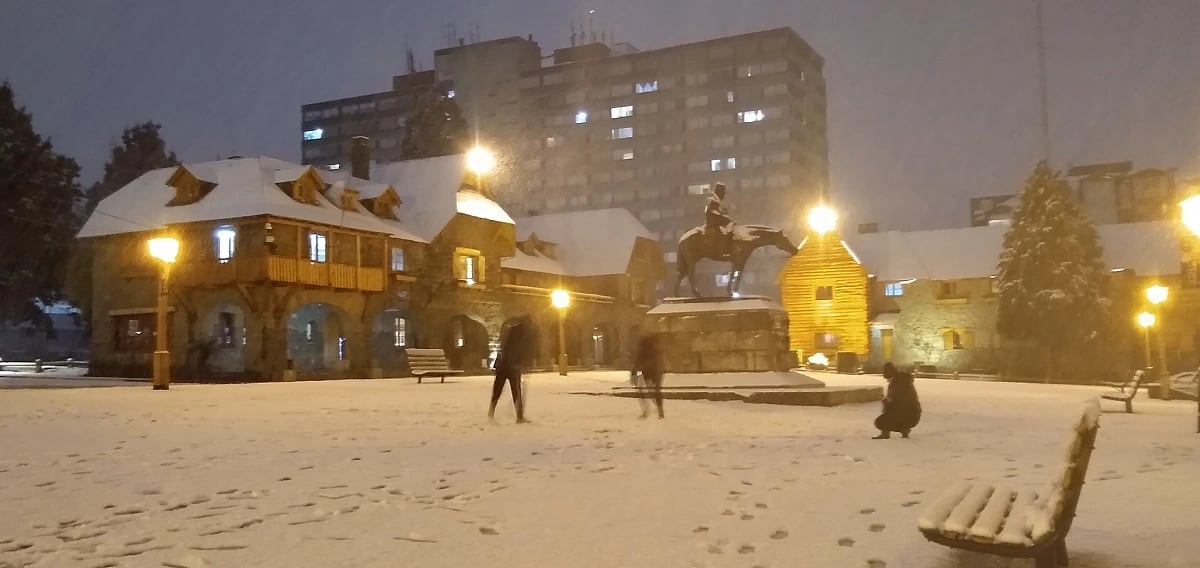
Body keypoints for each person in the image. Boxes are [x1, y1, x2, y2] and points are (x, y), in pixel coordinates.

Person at [490, 316, 533, 423]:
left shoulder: (512, 331)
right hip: (511, 365)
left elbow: (506, 347)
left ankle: (491, 412)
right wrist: (520, 363)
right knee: (516, 391)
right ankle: (519, 417)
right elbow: (518, 350)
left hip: (504, 365)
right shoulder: (522, 333)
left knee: (498, 390)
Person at [873, 362, 921, 439]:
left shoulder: (902, 384)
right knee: (881, 420)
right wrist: (886, 402)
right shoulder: (894, 384)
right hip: (908, 413)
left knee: (881, 421)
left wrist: (887, 402)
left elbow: (901, 403)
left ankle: (903, 429)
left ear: (892, 376)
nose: (888, 381)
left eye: (888, 378)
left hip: (910, 414)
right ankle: (902, 429)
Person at [631, 332, 666, 419]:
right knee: (656, 391)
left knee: (651, 391)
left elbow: (638, 361)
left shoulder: (644, 348)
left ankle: (652, 410)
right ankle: (659, 410)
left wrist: (634, 373)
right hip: (656, 372)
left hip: (649, 372)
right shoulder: (656, 348)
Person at [704, 182, 734, 257]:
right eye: (723, 193)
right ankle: (725, 249)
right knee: (727, 231)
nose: (724, 195)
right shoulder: (712, 200)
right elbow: (710, 211)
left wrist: (726, 216)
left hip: (718, 220)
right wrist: (721, 216)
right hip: (713, 221)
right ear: (719, 192)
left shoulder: (718, 201)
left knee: (732, 225)